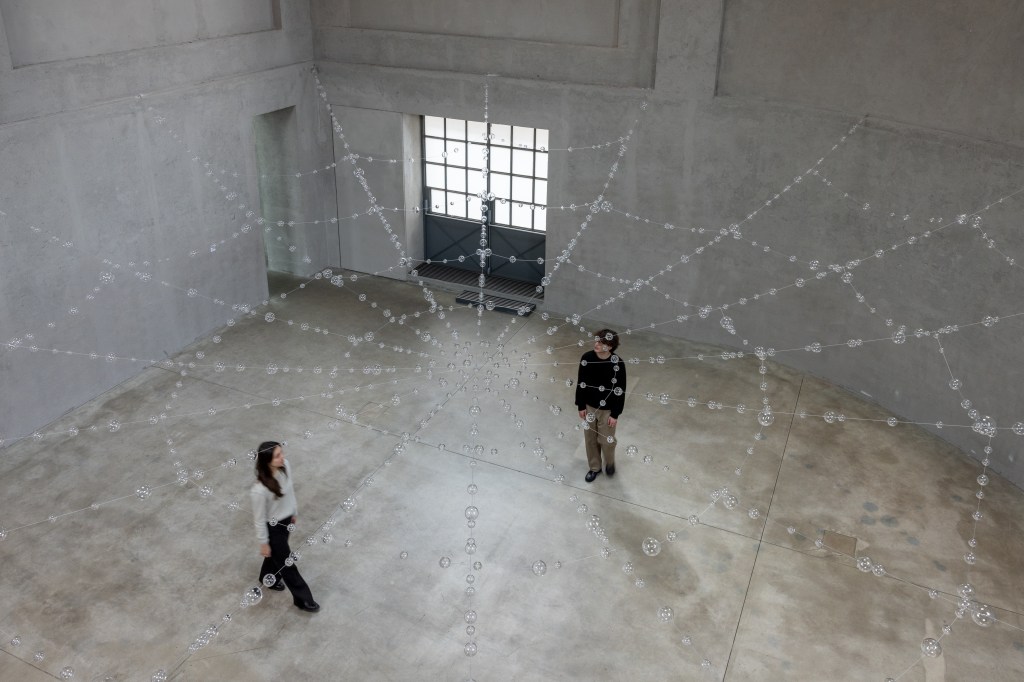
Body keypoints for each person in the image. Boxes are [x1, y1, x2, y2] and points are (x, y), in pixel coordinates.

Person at [250, 441, 320, 612]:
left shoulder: (286, 466)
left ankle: (267, 577)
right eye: (277, 456)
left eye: (282, 453)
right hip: (273, 529)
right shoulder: (259, 490)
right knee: (287, 564)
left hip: (286, 521)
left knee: (277, 557)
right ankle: (303, 600)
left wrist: (293, 512)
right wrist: (264, 543)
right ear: (267, 461)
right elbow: (259, 519)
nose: (283, 457)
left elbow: (290, 492)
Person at [574, 329, 626, 482]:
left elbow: (620, 390)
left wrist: (615, 414)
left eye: (601, 342)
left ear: (610, 346)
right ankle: (594, 468)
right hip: (589, 406)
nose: (596, 344)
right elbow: (581, 383)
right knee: (590, 439)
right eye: (596, 341)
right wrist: (581, 405)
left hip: (607, 410)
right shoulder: (587, 358)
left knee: (606, 439)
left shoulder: (618, 363)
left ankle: (609, 461)